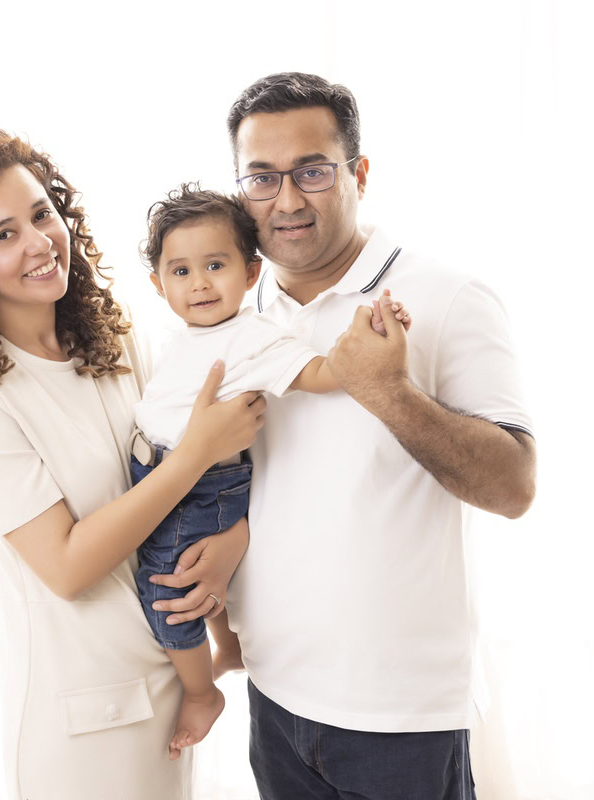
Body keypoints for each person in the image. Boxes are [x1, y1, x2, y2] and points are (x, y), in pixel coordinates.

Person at [162, 72, 538, 799]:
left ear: (358, 173)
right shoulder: (235, 311)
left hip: (401, 717)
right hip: (274, 695)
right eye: (262, 178)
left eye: (312, 171)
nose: (288, 199)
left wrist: (388, 392)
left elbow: (514, 488)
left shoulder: (445, 297)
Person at [0, 129, 266, 800]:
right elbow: (69, 566)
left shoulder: (115, 337)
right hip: (82, 721)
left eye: (42, 213)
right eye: (2, 235)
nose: (38, 241)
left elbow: (194, 484)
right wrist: (197, 453)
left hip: (169, 688)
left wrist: (233, 540)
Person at [128, 183, 411, 760]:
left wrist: (373, 337)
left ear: (251, 271)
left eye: (215, 264)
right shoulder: (182, 338)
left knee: (165, 588)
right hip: (166, 477)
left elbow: (321, 373)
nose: (200, 282)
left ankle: (200, 690)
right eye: (180, 271)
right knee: (202, 578)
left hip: (200, 488)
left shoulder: (254, 337)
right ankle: (228, 646)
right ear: (158, 285)